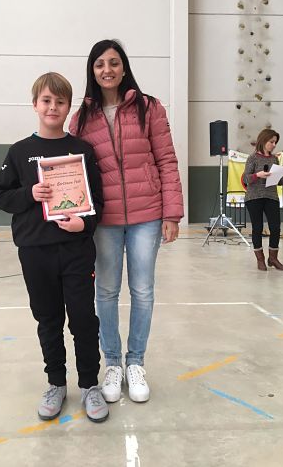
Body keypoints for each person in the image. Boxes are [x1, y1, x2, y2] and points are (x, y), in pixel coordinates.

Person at [69, 39, 183, 403]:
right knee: (105, 291)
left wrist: (172, 213)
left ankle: (136, 362)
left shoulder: (149, 108)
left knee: (143, 290)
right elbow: (74, 173)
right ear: (92, 70)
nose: (107, 69)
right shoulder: (81, 119)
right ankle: (113, 363)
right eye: (100, 64)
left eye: (114, 62)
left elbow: (166, 161)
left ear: (123, 67)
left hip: (147, 216)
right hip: (105, 220)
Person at [0, 72, 109, 423]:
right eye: (46, 100)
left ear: (68, 106)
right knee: (48, 319)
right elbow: (0, 196)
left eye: (60, 101)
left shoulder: (82, 150)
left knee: (83, 319)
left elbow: (98, 200)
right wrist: (29, 194)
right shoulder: (19, 152)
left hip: (76, 250)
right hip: (35, 250)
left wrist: (84, 224)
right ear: (35, 105)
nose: (52, 107)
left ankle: (89, 385)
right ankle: (56, 383)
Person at [243, 128, 283, 271]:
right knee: (257, 228)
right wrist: (258, 175)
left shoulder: (274, 159)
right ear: (263, 141)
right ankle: (260, 260)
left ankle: (273, 259)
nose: (274, 145)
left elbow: (279, 181)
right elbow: (245, 178)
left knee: (275, 228)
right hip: (254, 197)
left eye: (275, 142)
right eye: (272, 142)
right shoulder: (252, 158)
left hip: (271, 196)